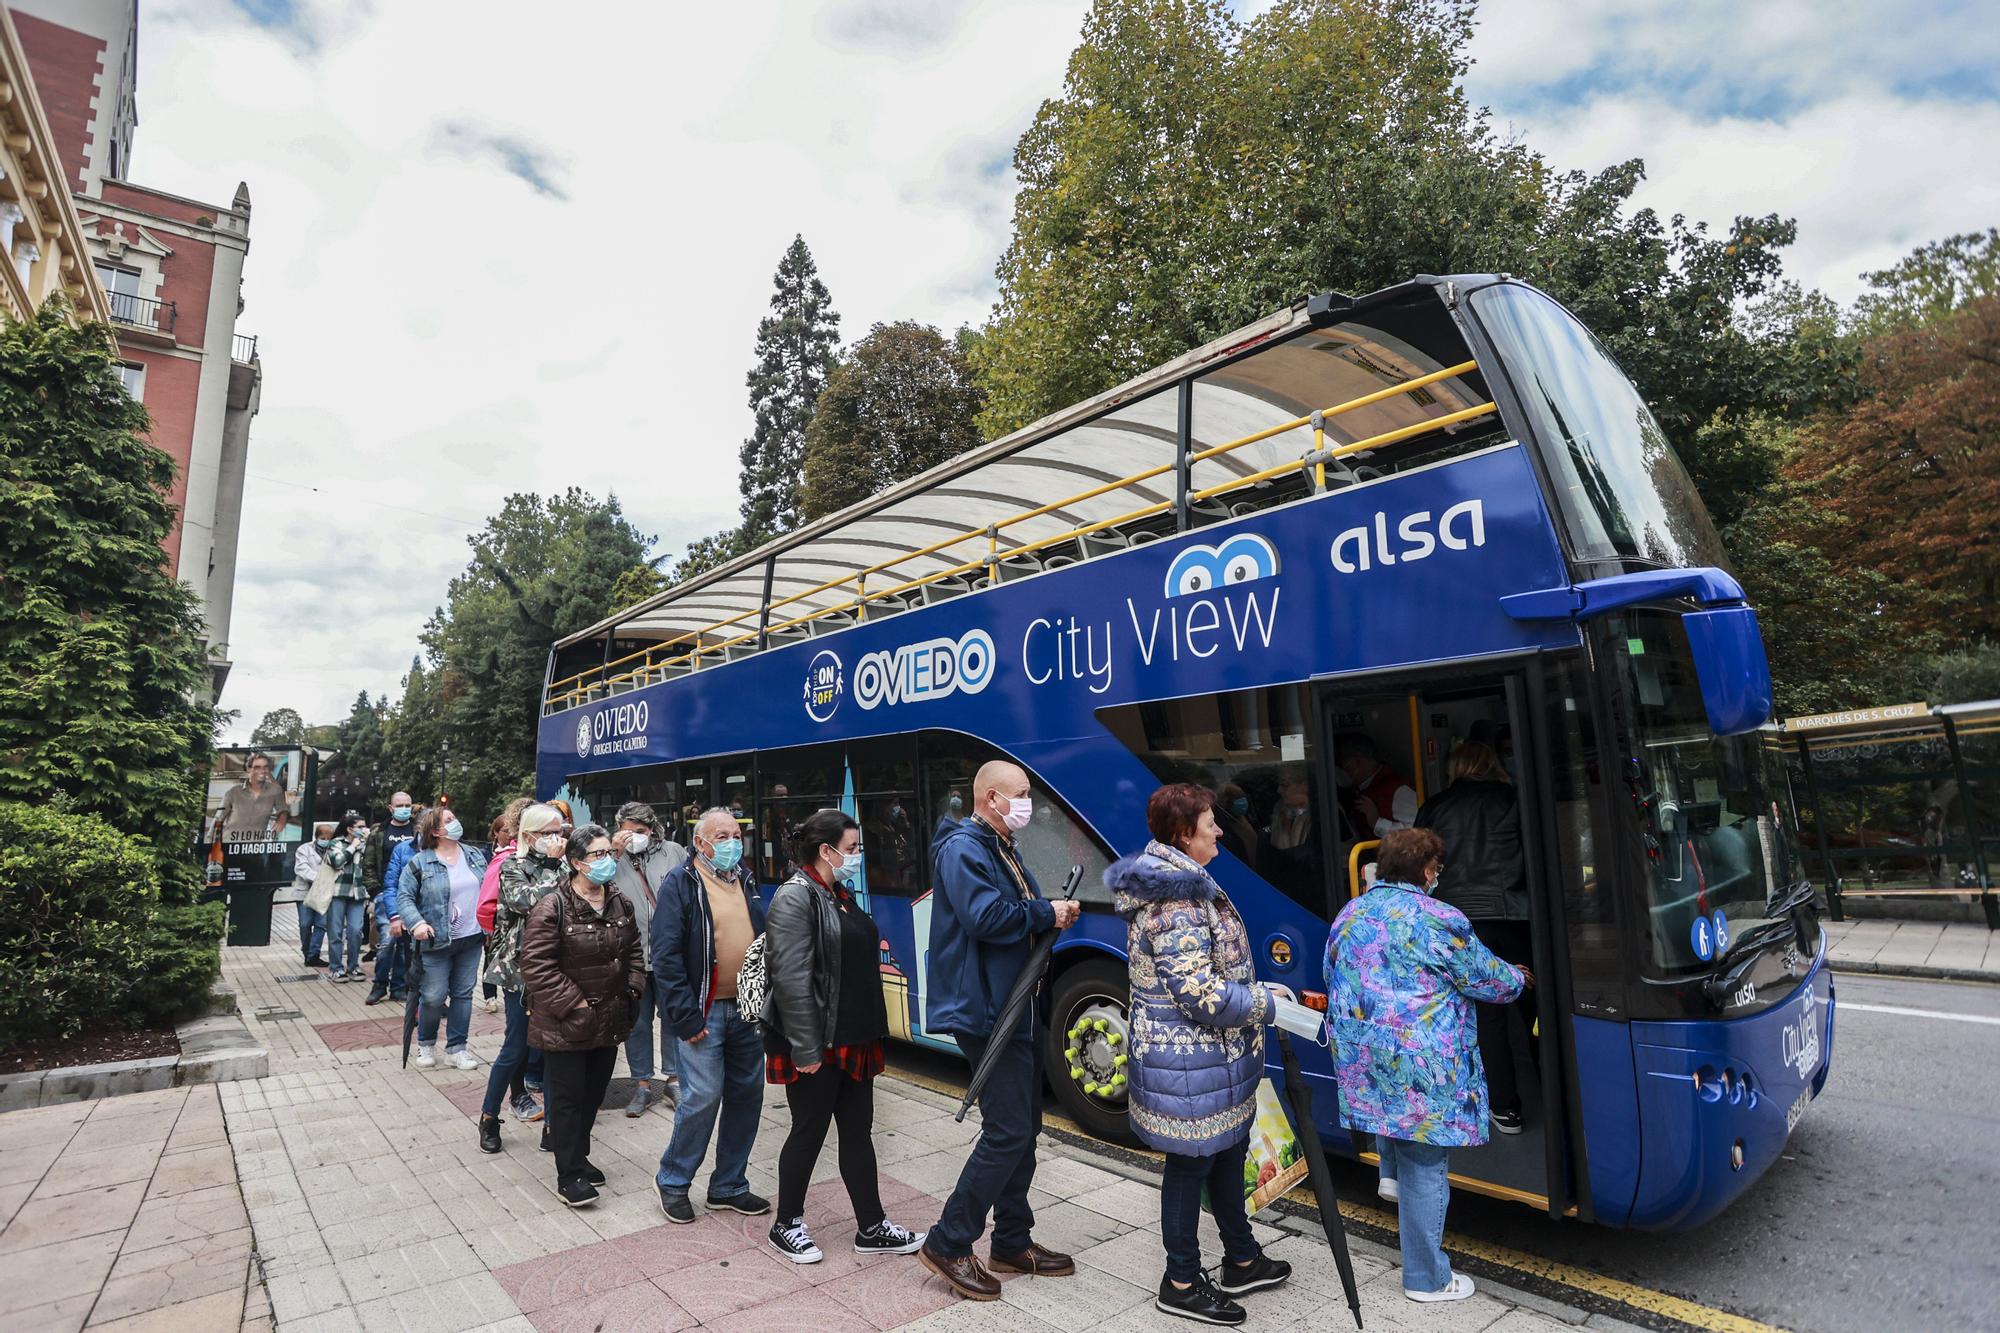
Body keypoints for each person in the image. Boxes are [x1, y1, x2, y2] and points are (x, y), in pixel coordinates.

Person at [1106, 785, 1293, 1325]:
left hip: (1211, 1062)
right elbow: (1201, 994)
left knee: (1227, 1153)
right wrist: (1263, 1002)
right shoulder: (1177, 899)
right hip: (1188, 1065)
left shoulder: (1181, 884)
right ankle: (1181, 1281)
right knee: (1191, 1167)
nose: (1219, 829)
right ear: (1183, 833)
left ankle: (1240, 1258)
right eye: (1211, 822)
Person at [1325, 827, 1528, 1303]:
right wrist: (1517, 976)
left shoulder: (1351, 912)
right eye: (1436, 868)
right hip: (1421, 1063)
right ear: (1425, 871)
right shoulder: (1440, 919)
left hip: (1363, 1053)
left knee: (1389, 1116)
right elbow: (1486, 979)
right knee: (1428, 1163)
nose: (1438, 876)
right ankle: (1427, 1278)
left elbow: (1333, 974)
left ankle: (1387, 1173)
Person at [919, 761, 1082, 1302]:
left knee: (1024, 1127)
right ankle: (949, 1241)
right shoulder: (966, 848)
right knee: (1008, 1130)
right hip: (989, 1010)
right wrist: (1046, 912)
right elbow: (986, 917)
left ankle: (1011, 1241)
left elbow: (1015, 913)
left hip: (1015, 1003)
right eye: (1022, 793)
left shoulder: (998, 843)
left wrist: (1050, 915)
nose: (1028, 802)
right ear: (992, 797)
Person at [762, 809, 926, 1263]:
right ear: (825, 851)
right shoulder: (795, 898)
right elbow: (792, 978)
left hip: (854, 1036)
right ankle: (786, 1223)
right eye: (852, 849)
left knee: (858, 1133)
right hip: (816, 1040)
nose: (857, 856)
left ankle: (871, 1227)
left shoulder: (838, 892)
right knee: (809, 1131)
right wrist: (806, 1048)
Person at [652, 809, 770, 1226]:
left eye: (737, 834)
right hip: (703, 1011)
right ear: (701, 842)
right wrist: (686, 1017)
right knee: (701, 1097)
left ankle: (728, 1185)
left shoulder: (746, 878)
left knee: (747, 1095)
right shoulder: (680, 883)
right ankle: (673, 1181)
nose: (732, 842)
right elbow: (665, 955)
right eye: (722, 835)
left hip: (747, 1008)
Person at [518, 824, 646, 1208]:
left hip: (610, 1019)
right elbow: (536, 965)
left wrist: (634, 988)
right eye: (598, 855)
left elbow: (634, 951)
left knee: (593, 1094)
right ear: (576, 863)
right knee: (568, 1099)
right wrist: (573, 1004)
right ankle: (569, 1173)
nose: (608, 860)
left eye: (610, 852)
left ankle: (579, 1157)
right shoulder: (552, 905)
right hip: (567, 1022)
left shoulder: (619, 902)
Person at [1414, 742, 1533, 1134]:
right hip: (1514, 913)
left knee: (1489, 1017)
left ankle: (1505, 1107)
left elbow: (1422, 860)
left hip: (1460, 919)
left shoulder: (1437, 805)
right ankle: (1557, 1091)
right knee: (1534, 1006)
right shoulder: (1515, 798)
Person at [477, 803, 565, 1153]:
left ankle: (553, 1125)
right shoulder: (512, 866)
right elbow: (528, 902)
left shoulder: (565, 865)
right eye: (548, 834)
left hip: (559, 969)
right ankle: (488, 1117)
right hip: (522, 972)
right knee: (516, 1047)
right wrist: (556, 866)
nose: (555, 839)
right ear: (529, 836)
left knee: (556, 1050)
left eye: (559, 832)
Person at [396, 806, 490, 1071]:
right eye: (449, 820)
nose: (456, 822)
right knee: (434, 996)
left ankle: (456, 1049)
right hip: (435, 941)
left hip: (471, 938)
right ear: (436, 831)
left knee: (463, 994)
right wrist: (416, 923)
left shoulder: (474, 854)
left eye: (455, 817)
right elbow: (403, 897)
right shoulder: (420, 861)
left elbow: (489, 889)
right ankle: (426, 1043)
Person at [611, 800, 687, 1116]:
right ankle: (641, 1085)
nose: (633, 838)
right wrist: (613, 853)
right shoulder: (609, 857)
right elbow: (594, 889)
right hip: (632, 957)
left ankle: (673, 1080)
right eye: (626, 832)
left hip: (670, 954)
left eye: (639, 832)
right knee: (637, 1023)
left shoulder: (674, 852)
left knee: (673, 1019)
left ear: (652, 829)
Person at [479, 798, 535, 1013]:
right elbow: (485, 907)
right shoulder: (509, 861)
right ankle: (488, 995)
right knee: (517, 1032)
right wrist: (500, 934)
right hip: (516, 954)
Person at [363, 792, 419, 1006]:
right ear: (390, 808)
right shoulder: (379, 832)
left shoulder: (417, 830)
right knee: (387, 942)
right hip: (387, 894)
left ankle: (398, 986)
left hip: (413, 895)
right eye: (400, 805)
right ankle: (379, 984)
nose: (404, 808)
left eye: (408, 804)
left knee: (406, 944)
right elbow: (368, 864)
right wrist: (375, 892)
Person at [1336, 733, 1419, 839]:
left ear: (1357, 762)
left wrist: (1377, 823)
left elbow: (1417, 832)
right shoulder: (1358, 791)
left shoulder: (1397, 790)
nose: (1341, 770)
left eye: (1343, 765)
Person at [324, 814, 370, 982]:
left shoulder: (366, 845)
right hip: (337, 892)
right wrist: (353, 846)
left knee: (356, 931)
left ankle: (353, 966)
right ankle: (336, 968)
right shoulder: (336, 843)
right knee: (335, 932)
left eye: (365, 826)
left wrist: (363, 845)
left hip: (357, 893)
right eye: (360, 827)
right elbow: (337, 861)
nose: (364, 829)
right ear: (350, 829)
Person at [219, 752, 291, 840]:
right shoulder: (234, 792)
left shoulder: (274, 791)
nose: (262, 771)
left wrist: (282, 819)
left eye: (265, 767)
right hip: (229, 844)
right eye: (257, 767)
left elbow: (283, 809)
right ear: (248, 769)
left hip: (255, 846)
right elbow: (219, 818)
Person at [292, 823, 333, 968]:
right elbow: (301, 868)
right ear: (317, 836)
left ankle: (313, 955)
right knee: (305, 924)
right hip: (305, 892)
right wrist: (320, 878)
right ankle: (307, 951)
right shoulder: (304, 849)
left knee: (321, 925)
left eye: (329, 837)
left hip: (323, 893)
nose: (326, 839)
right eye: (323, 837)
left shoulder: (333, 849)